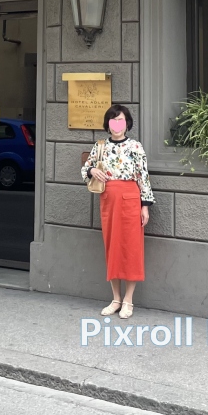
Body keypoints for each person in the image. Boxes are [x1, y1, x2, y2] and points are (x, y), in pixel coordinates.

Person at [81, 104, 153, 319]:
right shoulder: (100, 146)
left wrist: (145, 206)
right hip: (108, 200)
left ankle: (128, 300)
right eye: (113, 121)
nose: (117, 125)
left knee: (131, 248)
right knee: (112, 247)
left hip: (131, 199)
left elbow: (143, 176)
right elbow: (85, 169)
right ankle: (115, 299)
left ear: (127, 123)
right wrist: (92, 170)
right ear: (108, 124)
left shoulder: (135, 147)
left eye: (121, 120)